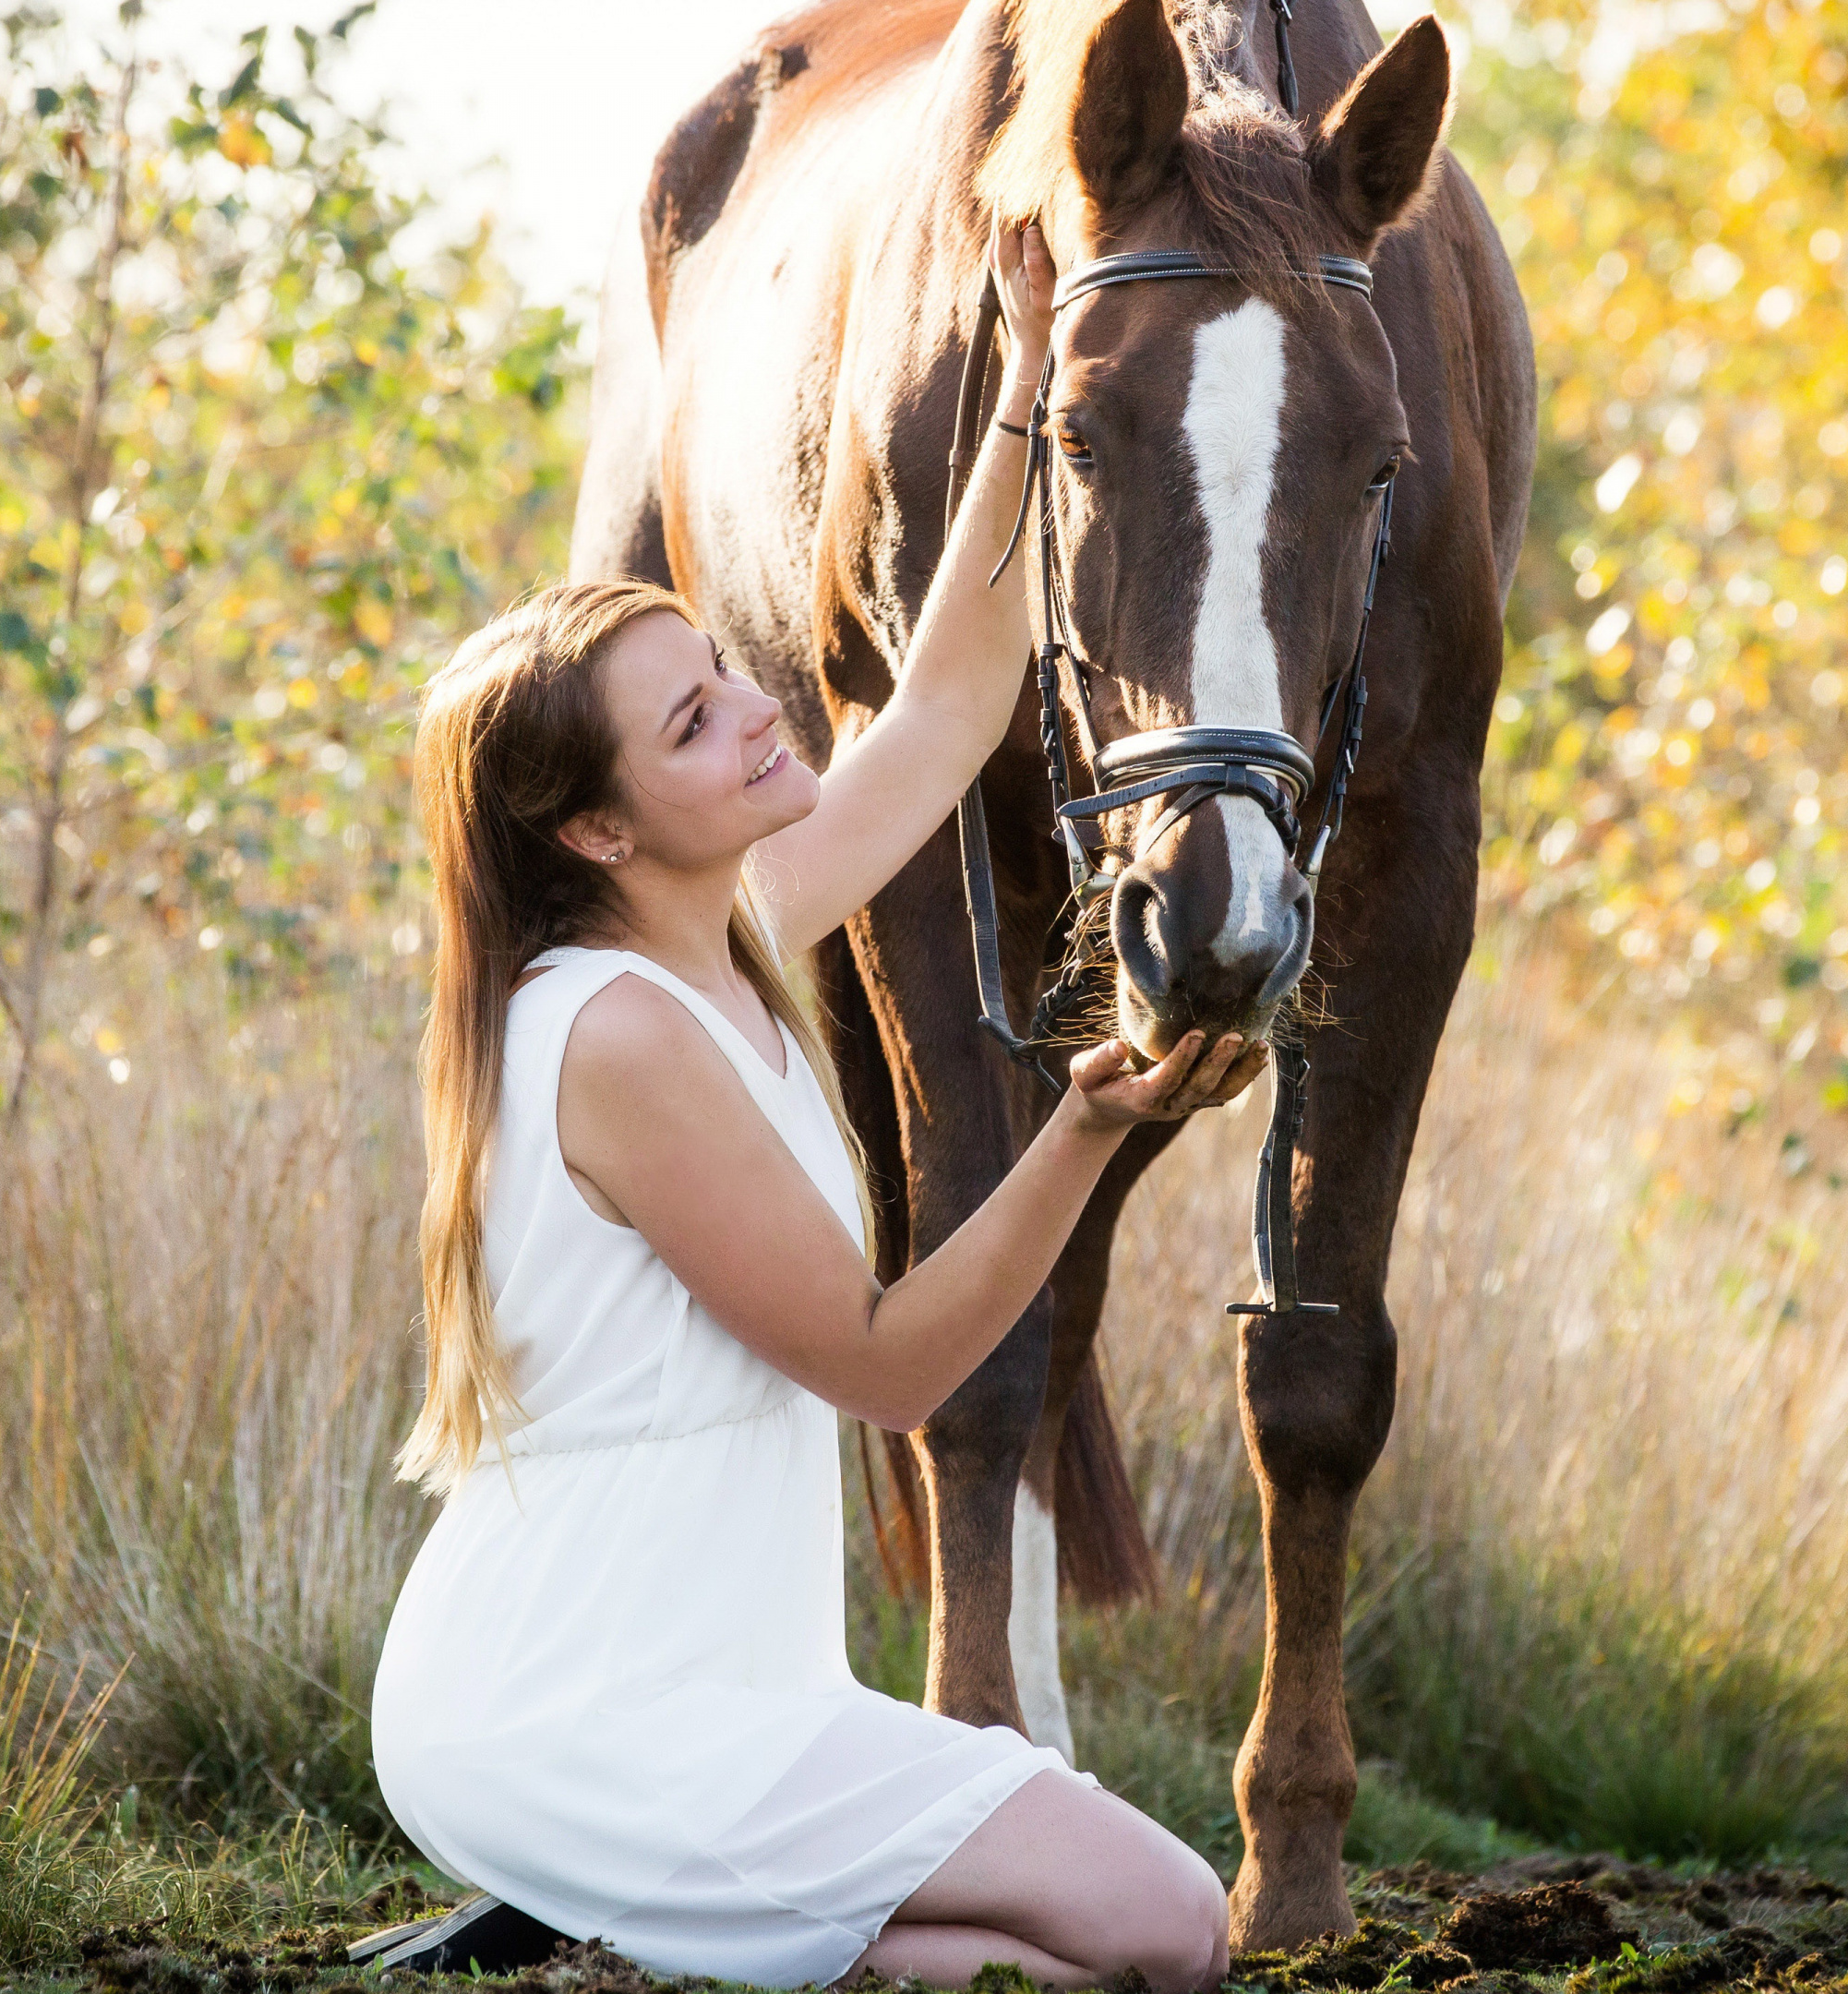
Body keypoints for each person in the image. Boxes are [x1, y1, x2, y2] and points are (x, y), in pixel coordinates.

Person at [369, 222, 1256, 1993]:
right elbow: (887, 1364)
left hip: (720, 1694)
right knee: (1166, 1930)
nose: (760, 715)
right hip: (586, 1707)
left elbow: (943, 714)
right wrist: (1080, 1135)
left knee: (1090, 1960)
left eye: (723, 669)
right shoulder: (612, 1034)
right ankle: (628, 1933)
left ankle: (621, 1952)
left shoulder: (728, 937)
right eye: (696, 724)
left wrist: (1020, 396)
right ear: (598, 831)